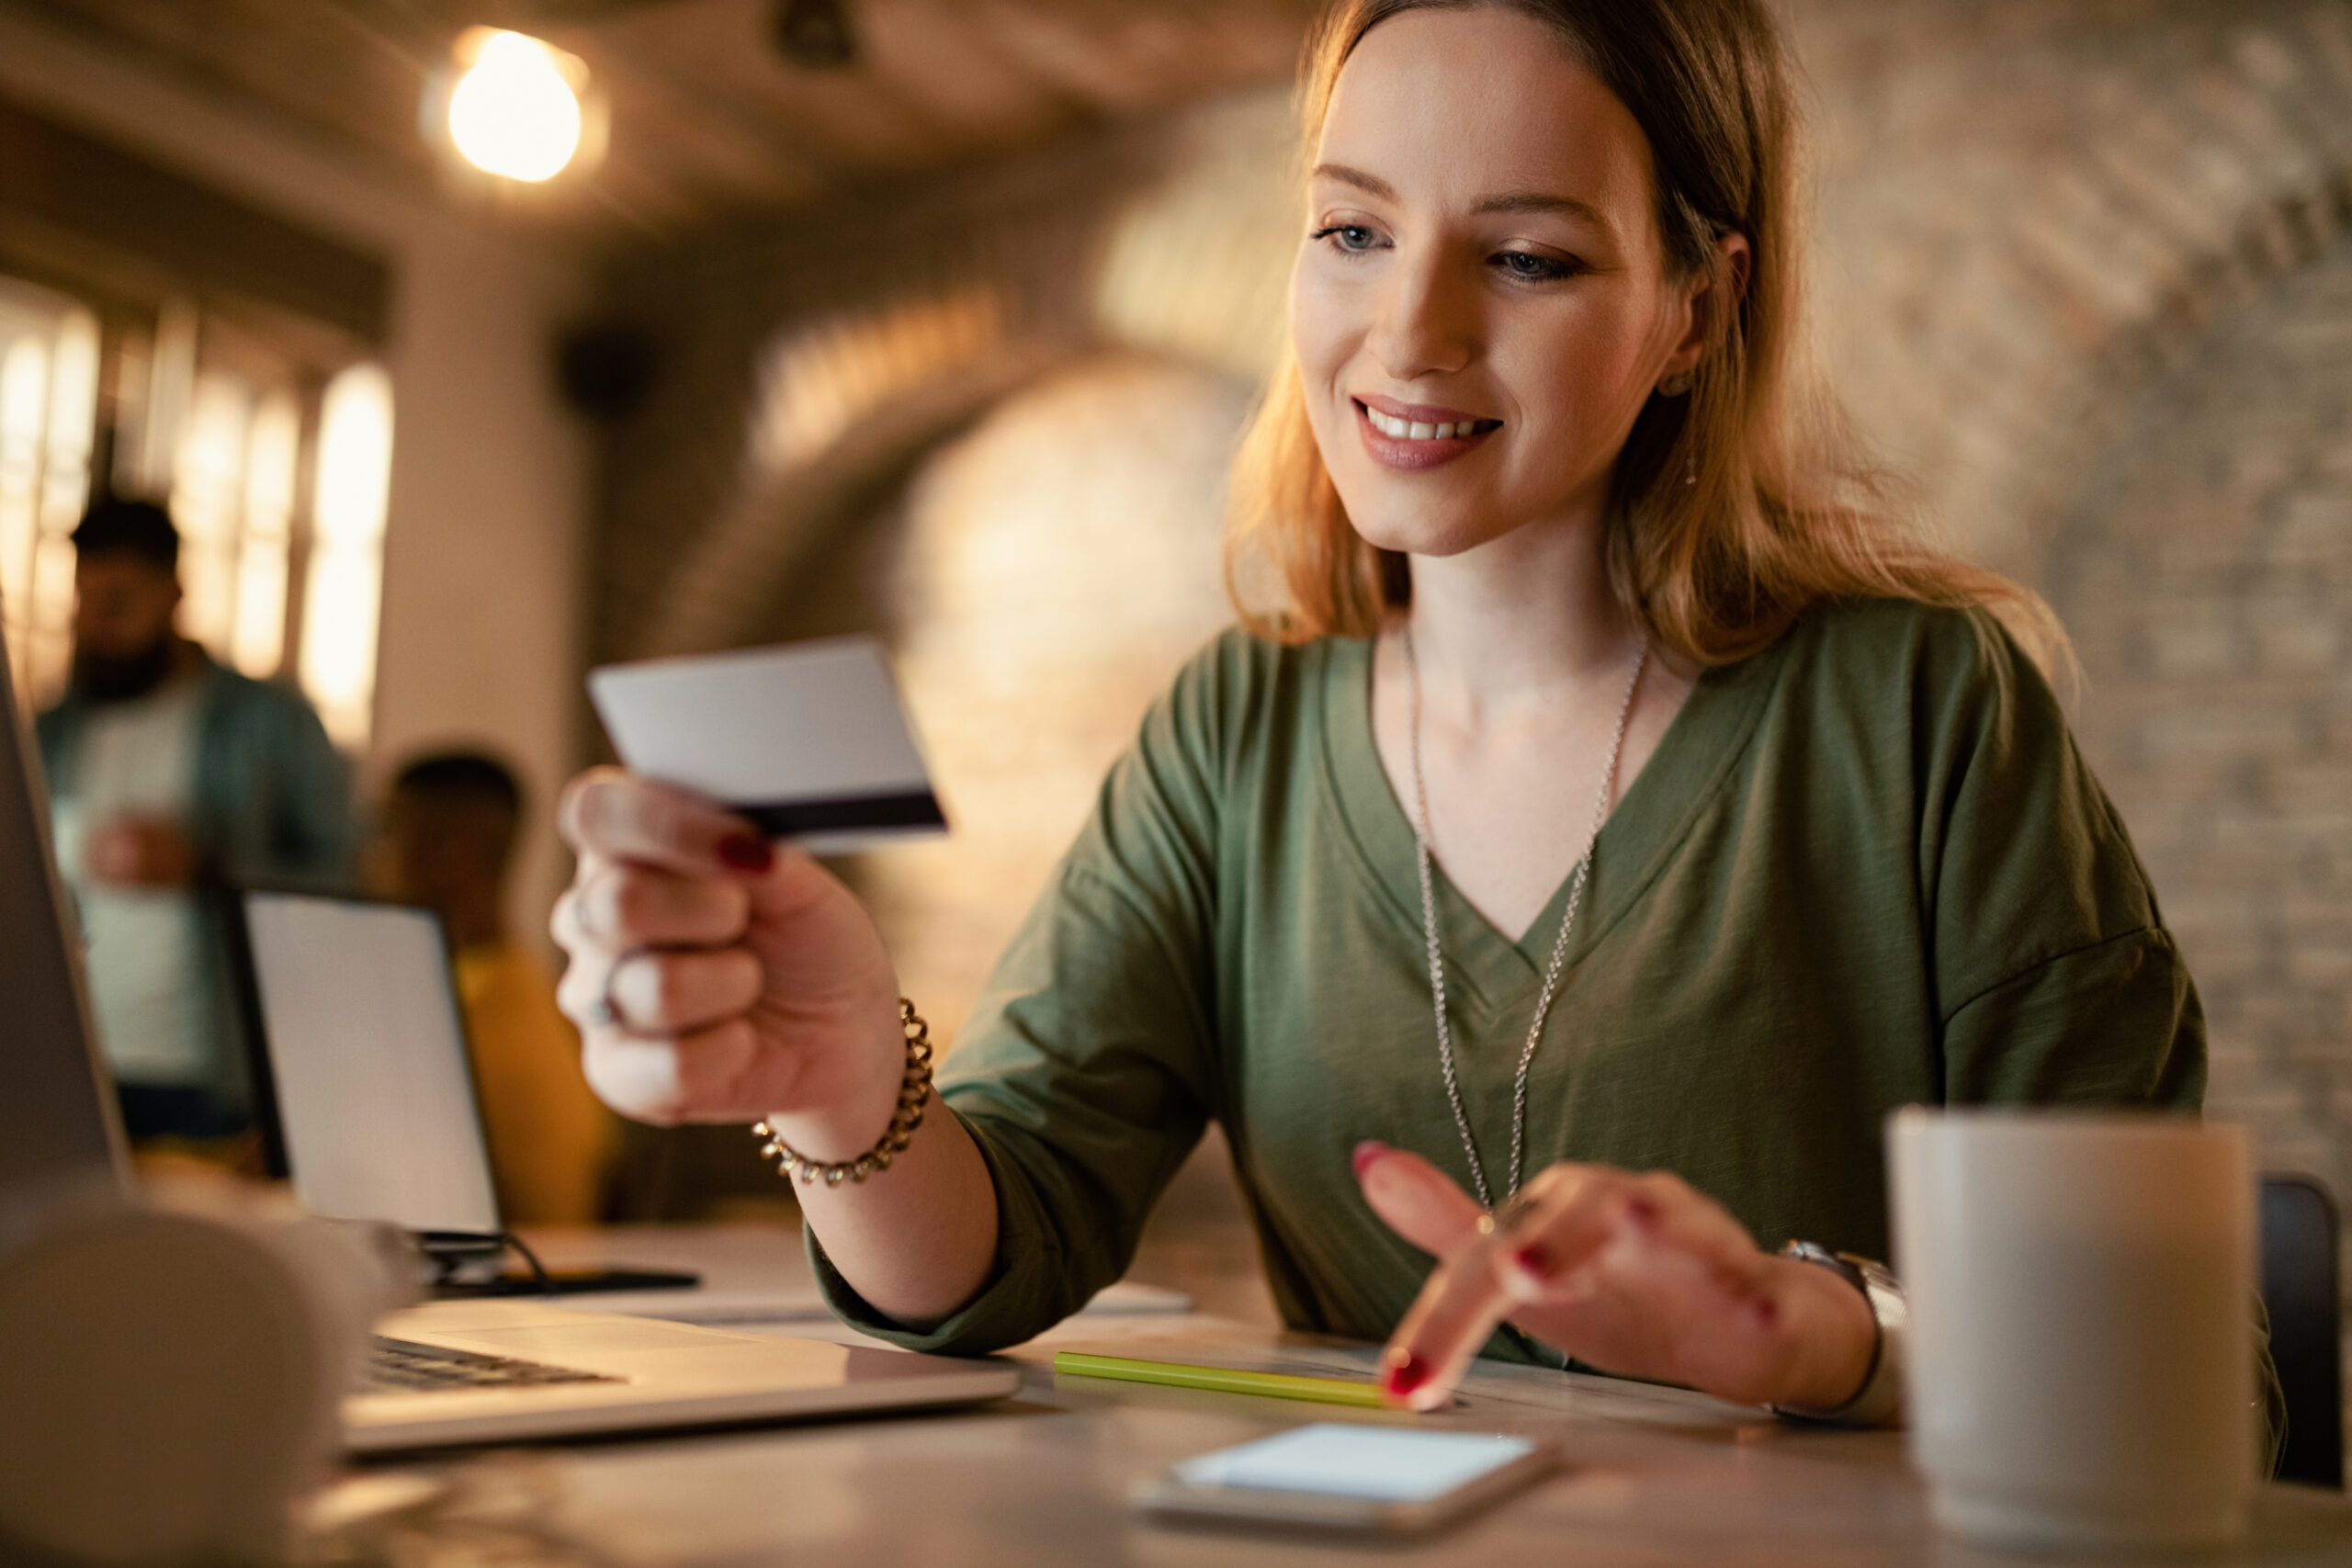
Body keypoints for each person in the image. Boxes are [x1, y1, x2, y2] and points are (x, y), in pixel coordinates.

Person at [548, 0, 2210, 1426]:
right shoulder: (1234, 731)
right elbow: (993, 1250)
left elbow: (2188, 1373)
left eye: (1530, 255)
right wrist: (843, 1082)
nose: (1410, 335)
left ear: (1696, 310)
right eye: (1353, 230)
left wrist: (1809, 1335)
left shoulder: (1922, 708)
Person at [39, 497, 353, 1143]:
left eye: (120, 600)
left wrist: (207, 867)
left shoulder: (267, 721)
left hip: (212, 1075)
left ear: (173, 594)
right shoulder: (52, 731)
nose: (98, 622)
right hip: (76, 1065)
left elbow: (347, 876)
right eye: (86, 600)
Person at [370, 750, 614, 1224]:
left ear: (453, 855)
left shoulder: (477, 1030)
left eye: (385, 833)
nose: (367, 857)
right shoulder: (497, 993)